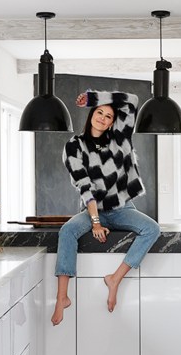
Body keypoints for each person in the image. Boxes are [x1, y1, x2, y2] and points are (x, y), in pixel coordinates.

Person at [51, 90, 161, 326]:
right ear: (91, 115)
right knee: (67, 231)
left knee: (152, 229)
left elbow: (131, 101)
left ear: (113, 121)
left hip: (122, 208)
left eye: (109, 115)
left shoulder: (119, 138)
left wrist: (94, 98)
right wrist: (95, 222)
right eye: (99, 112)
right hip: (93, 210)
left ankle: (115, 279)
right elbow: (84, 185)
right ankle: (62, 297)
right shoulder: (75, 146)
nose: (102, 117)